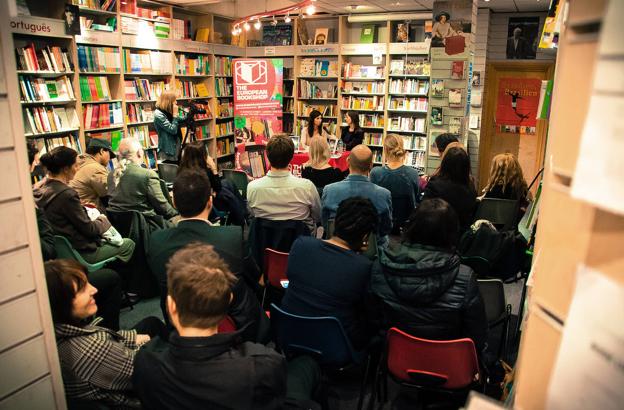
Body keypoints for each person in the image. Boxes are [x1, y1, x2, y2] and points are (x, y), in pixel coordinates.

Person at [134, 242, 316, 410]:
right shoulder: (263, 363)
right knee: (306, 365)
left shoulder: (145, 362)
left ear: (171, 305)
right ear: (228, 300)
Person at [148, 169, 267, 342]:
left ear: (174, 202)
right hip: (237, 324)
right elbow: (256, 278)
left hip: (179, 324)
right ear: (210, 202)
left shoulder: (156, 241)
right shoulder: (231, 237)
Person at [370, 198, 488, 354]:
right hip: (448, 366)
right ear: (452, 233)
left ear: (410, 226)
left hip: (394, 358)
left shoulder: (380, 266)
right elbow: (476, 337)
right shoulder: (465, 277)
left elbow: (371, 321)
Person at [45, 259, 166, 408]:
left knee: (151, 323)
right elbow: (148, 374)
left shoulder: (54, 331)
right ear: (61, 303)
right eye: (82, 289)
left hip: (106, 368)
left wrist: (130, 338)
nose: (94, 289)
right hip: (135, 400)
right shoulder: (91, 348)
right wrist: (144, 343)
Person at [281, 197, 378, 350]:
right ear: (366, 236)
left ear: (335, 223)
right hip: (335, 345)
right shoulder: (364, 267)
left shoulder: (301, 245)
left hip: (288, 332)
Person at [33, 146, 135, 265]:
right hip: (82, 253)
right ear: (66, 169)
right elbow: (89, 229)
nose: (77, 169)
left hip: (63, 252)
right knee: (128, 244)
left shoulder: (40, 191)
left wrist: (81, 208)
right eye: (76, 165)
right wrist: (102, 220)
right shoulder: (67, 195)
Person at [248, 134, 321, 233]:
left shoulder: (253, 187)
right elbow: (317, 216)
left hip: (265, 244)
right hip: (300, 243)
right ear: (292, 158)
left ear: (268, 157)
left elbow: (253, 214)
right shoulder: (307, 187)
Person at [322, 145, 393, 242]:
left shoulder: (329, 190)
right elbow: (385, 228)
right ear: (371, 165)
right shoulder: (384, 194)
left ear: (348, 161)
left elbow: (325, 224)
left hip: (337, 246)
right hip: (370, 250)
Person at [108, 137, 178, 221]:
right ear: (140, 153)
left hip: (120, 227)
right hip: (147, 226)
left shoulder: (111, 175)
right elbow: (163, 207)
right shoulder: (147, 175)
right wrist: (177, 214)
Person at [178, 141, 248, 226]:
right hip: (208, 205)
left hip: (192, 204)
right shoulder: (204, 172)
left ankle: (242, 212)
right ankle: (242, 215)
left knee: (228, 183)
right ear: (202, 155)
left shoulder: (181, 170)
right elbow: (217, 187)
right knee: (226, 193)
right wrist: (213, 167)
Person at [370, 134, 422, 232]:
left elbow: (372, 203)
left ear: (385, 150)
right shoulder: (413, 173)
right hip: (405, 226)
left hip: (380, 226)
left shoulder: (375, 173)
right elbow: (415, 199)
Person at [422, 146, 477, 231]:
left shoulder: (435, 185)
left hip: (436, 232)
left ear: (444, 164)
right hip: (461, 235)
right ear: (466, 166)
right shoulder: (471, 188)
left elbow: (424, 211)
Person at [70, 138, 114, 212]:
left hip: (76, 211)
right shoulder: (96, 169)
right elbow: (110, 194)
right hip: (89, 214)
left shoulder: (78, 163)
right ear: (102, 151)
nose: (110, 159)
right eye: (110, 155)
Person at [154, 91, 186, 164]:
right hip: (168, 150)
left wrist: (190, 113)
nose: (176, 103)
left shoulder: (168, 110)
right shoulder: (158, 114)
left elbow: (180, 119)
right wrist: (175, 114)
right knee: (172, 171)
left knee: (178, 169)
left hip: (176, 146)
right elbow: (173, 130)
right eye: (175, 100)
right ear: (169, 101)